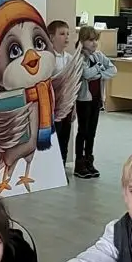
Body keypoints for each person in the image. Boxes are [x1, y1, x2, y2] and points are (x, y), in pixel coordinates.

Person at [72, 26, 117, 180]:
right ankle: (79, 163)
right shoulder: (80, 57)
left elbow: (113, 70)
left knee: (92, 132)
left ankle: (89, 160)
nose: (94, 43)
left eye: (95, 40)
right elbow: (86, 73)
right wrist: (99, 68)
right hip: (84, 100)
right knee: (83, 131)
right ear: (82, 41)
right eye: (90, 40)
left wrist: (98, 74)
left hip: (96, 99)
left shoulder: (98, 55)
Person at [48, 21, 74, 166]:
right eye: (62, 34)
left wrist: (73, 107)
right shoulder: (48, 57)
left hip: (66, 104)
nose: (66, 37)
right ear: (52, 37)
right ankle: (52, 167)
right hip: (52, 105)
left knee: (65, 136)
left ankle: (62, 165)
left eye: (67, 34)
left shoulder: (69, 58)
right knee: (54, 137)